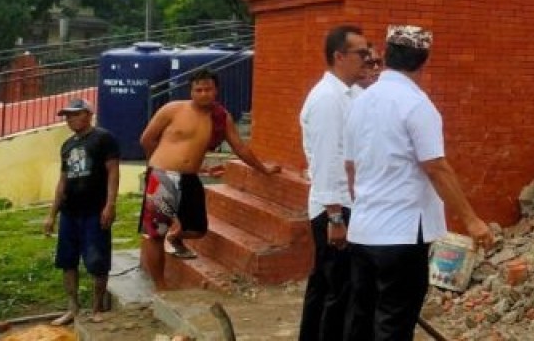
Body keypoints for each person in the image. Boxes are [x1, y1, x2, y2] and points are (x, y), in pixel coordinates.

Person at [344, 25, 495, 340]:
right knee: (392, 325)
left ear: (384, 55)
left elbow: (350, 166)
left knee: (360, 321)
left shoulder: (360, 101)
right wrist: (472, 220)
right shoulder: (416, 105)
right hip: (401, 235)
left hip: (363, 231)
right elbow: (436, 167)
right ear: (424, 60)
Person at [138, 69, 281, 290]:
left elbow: (240, 147)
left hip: (190, 178)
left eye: (208, 89)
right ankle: (161, 285)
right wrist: (156, 168)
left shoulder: (221, 117)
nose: (203, 94)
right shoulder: (173, 109)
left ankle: (176, 237)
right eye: (198, 90)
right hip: (162, 176)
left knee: (198, 229)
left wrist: (264, 169)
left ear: (216, 90)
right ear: (191, 91)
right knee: (155, 234)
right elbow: (147, 139)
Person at [298, 25, 370, 341]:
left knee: (327, 284)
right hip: (335, 207)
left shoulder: (352, 93)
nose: (367, 60)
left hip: (346, 203)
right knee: (338, 291)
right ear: (339, 57)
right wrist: (336, 218)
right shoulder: (327, 99)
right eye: (362, 54)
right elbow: (328, 160)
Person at [43, 98, 120, 326]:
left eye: (75, 114)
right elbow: (63, 181)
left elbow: (113, 173)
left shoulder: (104, 139)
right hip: (70, 212)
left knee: (97, 261)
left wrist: (110, 204)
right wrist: (52, 214)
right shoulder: (67, 145)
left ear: (87, 114)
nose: (70, 119)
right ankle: (73, 308)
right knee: (67, 261)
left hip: (95, 211)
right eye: (67, 116)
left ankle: (96, 308)